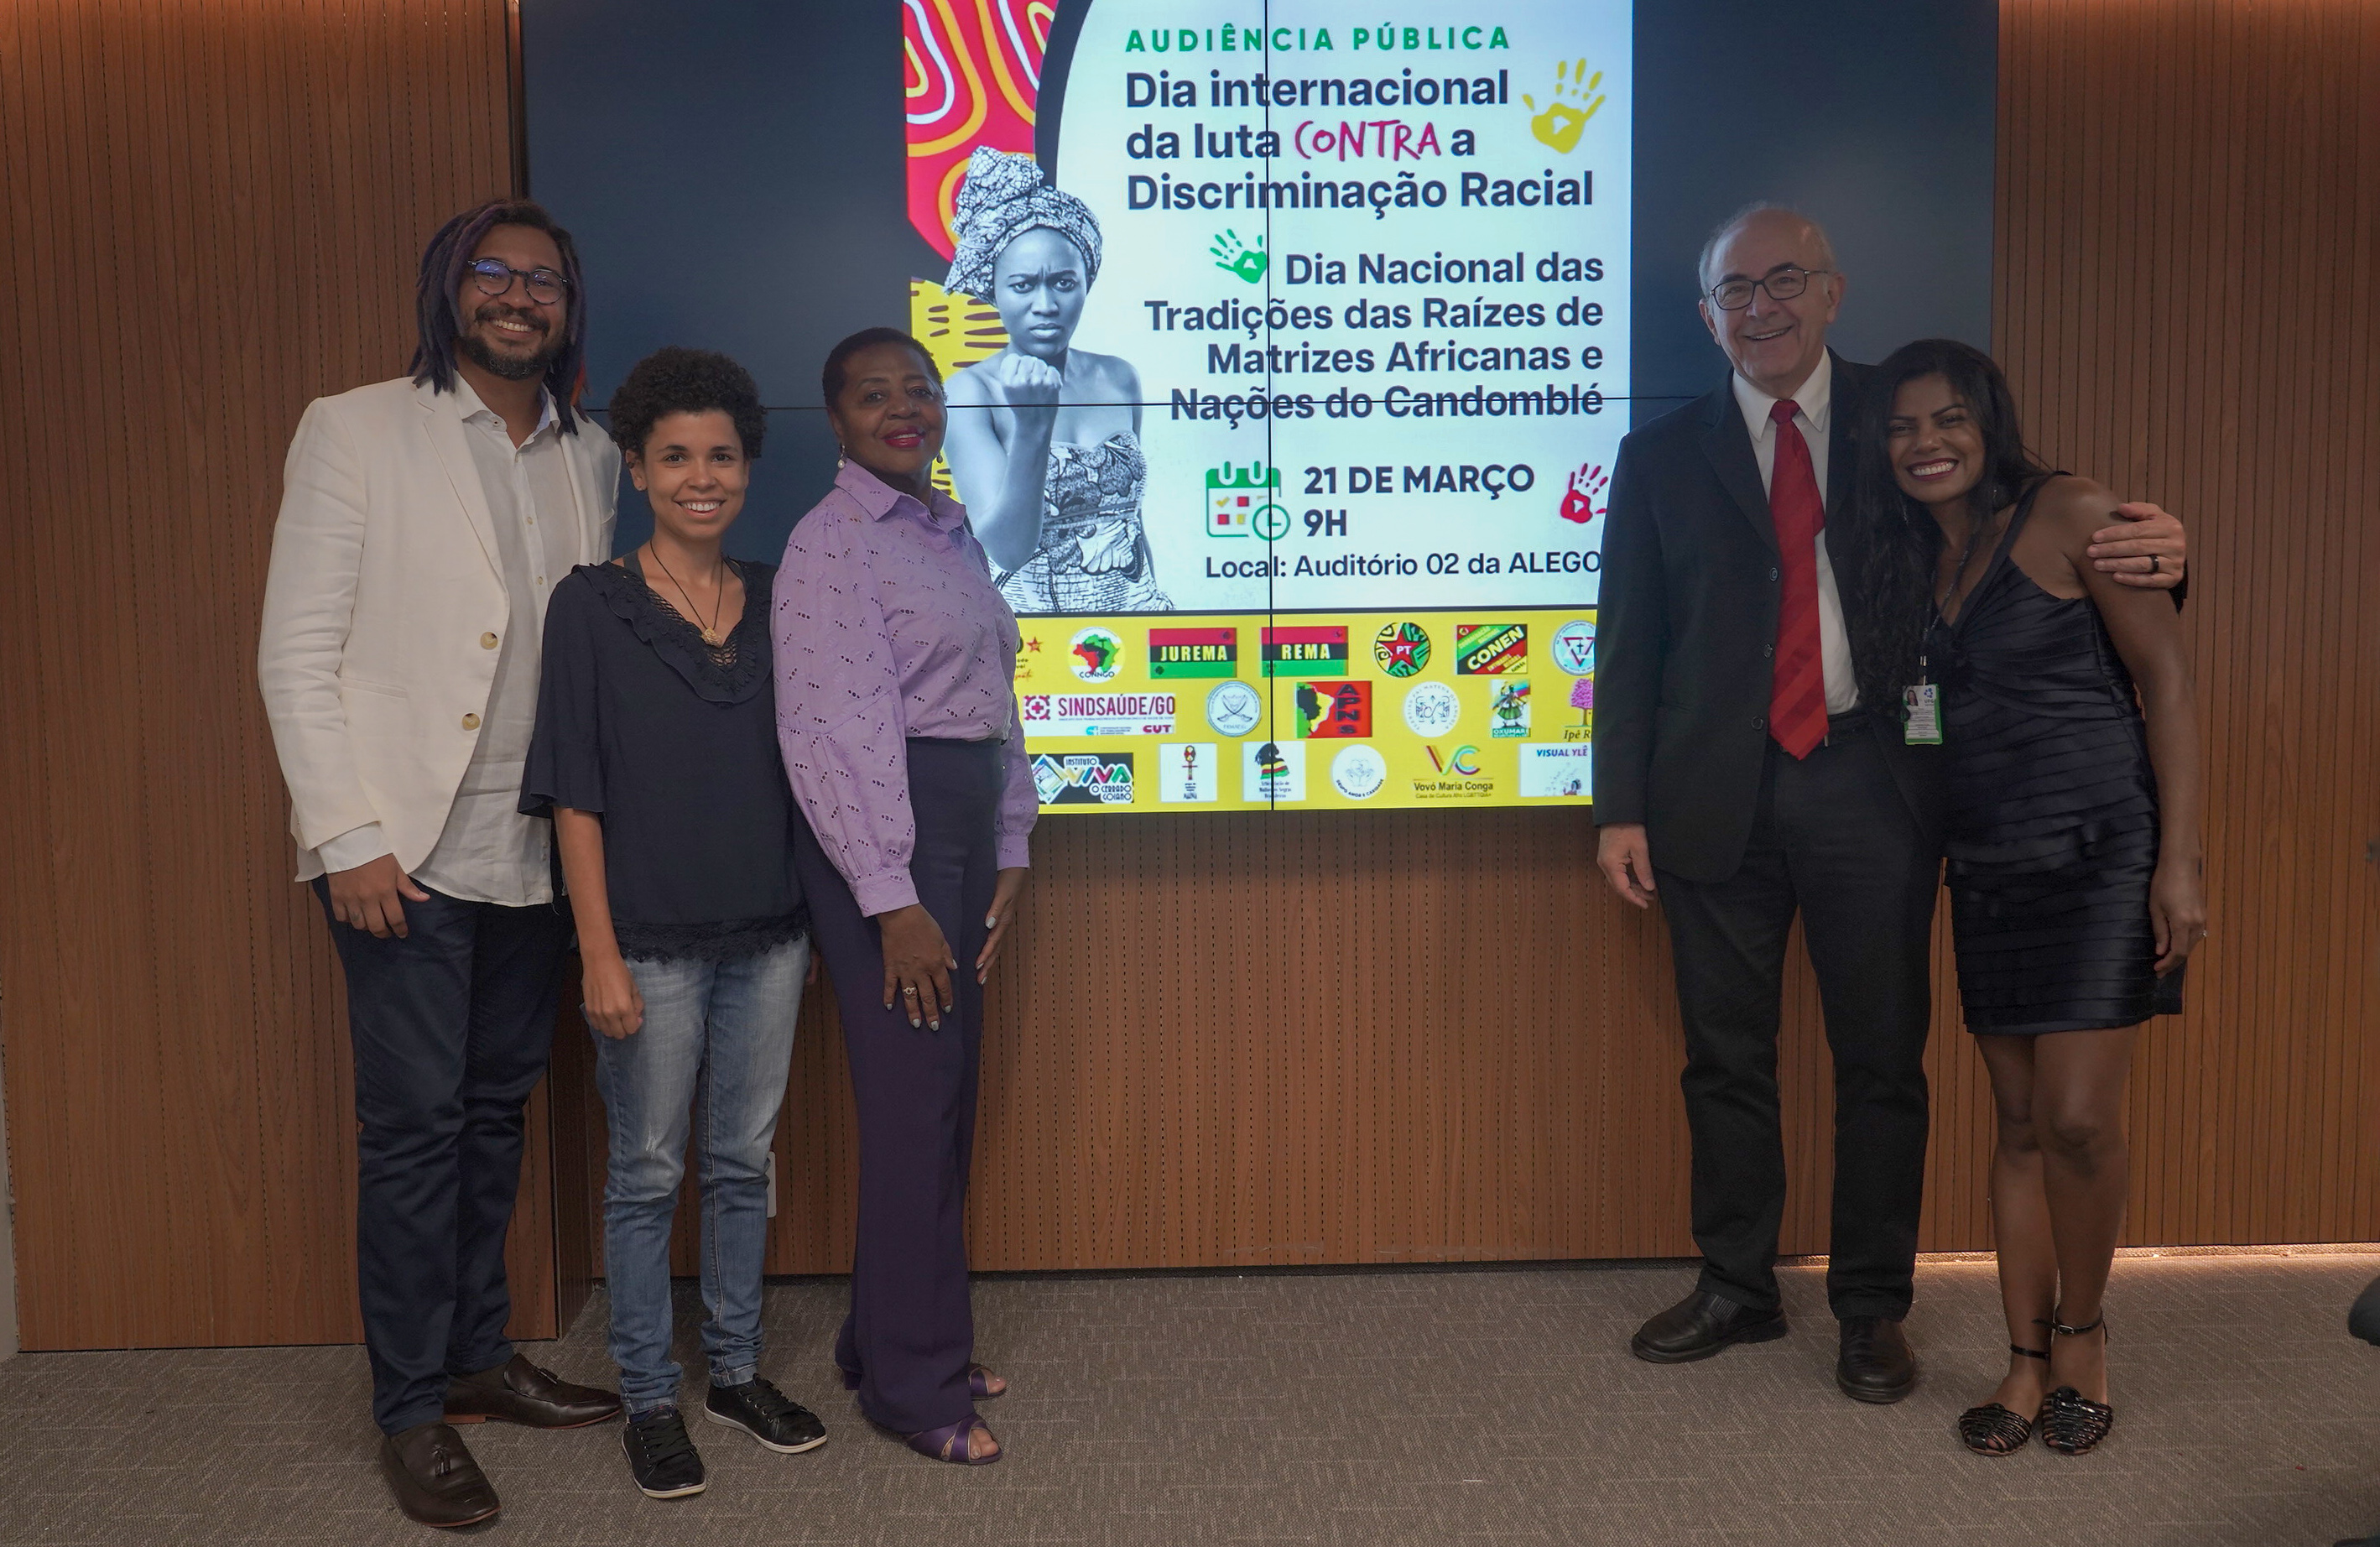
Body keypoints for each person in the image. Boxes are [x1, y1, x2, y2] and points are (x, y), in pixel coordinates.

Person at [1590, 203, 2190, 1405]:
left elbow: (2030, 520)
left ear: (1831, 292)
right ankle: (1736, 1283)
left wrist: (2162, 546)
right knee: (1723, 1055)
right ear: (1706, 315)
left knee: (1879, 1057)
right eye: (1734, 291)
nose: (1759, 308)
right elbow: (1628, 637)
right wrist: (1619, 805)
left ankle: (1871, 1306)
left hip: (1875, 777)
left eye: (1782, 281)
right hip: (1709, 792)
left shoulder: (1899, 419)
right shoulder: (1656, 454)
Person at [256, 198, 622, 1528]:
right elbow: (295, 651)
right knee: (413, 1134)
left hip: (534, 852)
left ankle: (475, 1357)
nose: (519, 296)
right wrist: (346, 837)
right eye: (494, 273)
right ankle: (410, 1409)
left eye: (544, 280)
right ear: (449, 289)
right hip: (399, 854)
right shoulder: (355, 427)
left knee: (491, 1117)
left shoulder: (591, 453)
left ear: (567, 307)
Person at [1840, 338, 2204, 1455]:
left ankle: (2082, 1336)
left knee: (2077, 1117)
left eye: (1946, 418)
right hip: (1988, 865)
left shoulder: (2069, 512)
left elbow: (2164, 679)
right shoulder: (1906, 557)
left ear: (1987, 421)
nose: (1924, 443)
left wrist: (2180, 861)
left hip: (2100, 850)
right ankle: (2022, 1357)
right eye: (1900, 427)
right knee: (2014, 1121)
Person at [521, 347, 828, 1498]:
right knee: (648, 1172)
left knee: (743, 1162)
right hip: (644, 943)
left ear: (747, 467)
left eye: (723, 456)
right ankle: (650, 1396)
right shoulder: (590, 604)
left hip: (772, 934)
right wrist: (597, 952)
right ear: (639, 470)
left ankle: (736, 1372)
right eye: (676, 457)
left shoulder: (780, 595)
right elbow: (575, 792)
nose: (703, 476)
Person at [774, 326, 1034, 1466]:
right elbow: (833, 731)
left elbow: (995, 695)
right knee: (912, 1105)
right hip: (888, 838)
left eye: (918, 390)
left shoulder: (946, 531)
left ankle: (887, 1338)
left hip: (962, 825)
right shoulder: (830, 540)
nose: (902, 409)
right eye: (873, 394)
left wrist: (1011, 836)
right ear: (836, 420)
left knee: (940, 1097)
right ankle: (914, 1388)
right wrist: (891, 896)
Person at [939, 146, 1169, 614]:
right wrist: (1033, 426)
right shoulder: (970, 392)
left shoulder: (1119, 377)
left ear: (1087, 282)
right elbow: (1005, 549)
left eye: (1064, 283)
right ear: (994, 289)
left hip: (1138, 623)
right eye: (1023, 285)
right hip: (1034, 640)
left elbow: (1134, 524)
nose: (1045, 305)